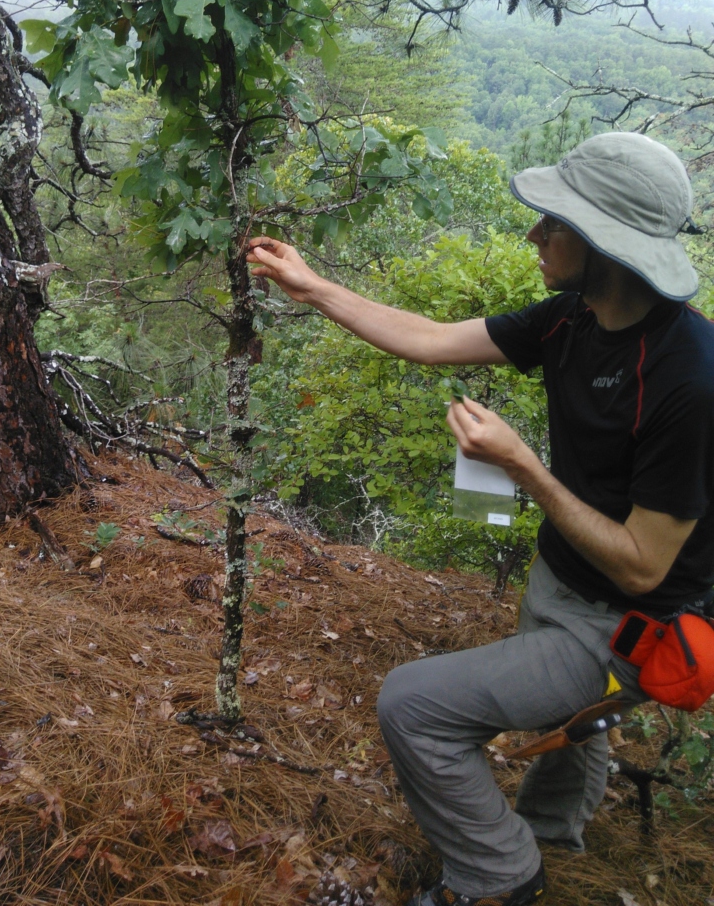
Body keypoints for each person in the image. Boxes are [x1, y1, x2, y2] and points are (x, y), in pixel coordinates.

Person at [247, 132, 714, 906]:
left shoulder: (688, 378)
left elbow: (642, 565)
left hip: (628, 624)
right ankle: (553, 839)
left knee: (413, 705)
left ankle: (502, 876)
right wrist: (313, 287)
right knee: (573, 723)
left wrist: (523, 467)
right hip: (561, 581)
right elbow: (431, 340)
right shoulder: (573, 316)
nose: (535, 235)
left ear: (604, 242)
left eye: (553, 223)